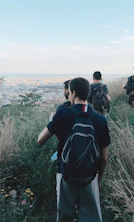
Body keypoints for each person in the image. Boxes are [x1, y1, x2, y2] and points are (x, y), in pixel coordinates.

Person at [38, 77, 111, 222]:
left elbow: (40, 140)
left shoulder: (63, 114)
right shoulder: (100, 119)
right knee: (90, 217)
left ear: (73, 92)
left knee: (65, 216)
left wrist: (52, 121)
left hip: (65, 172)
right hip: (90, 176)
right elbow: (103, 158)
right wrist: (99, 179)